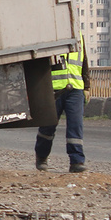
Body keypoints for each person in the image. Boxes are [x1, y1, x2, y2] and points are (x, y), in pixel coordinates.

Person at [35, 36, 90, 173]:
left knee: (75, 126)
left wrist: (87, 87)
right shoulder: (54, 32)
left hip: (75, 88)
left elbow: (84, 61)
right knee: (48, 126)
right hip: (54, 88)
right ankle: (41, 156)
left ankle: (77, 161)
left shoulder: (79, 35)